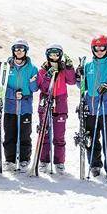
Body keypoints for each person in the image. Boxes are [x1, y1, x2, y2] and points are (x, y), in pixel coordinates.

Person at [80, 35, 107, 181]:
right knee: (91, 138)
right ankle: (94, 163)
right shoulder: (88, 66)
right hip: (91, 108)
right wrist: (79, 77)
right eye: (96, 48)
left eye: (102, 47)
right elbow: (82, 86)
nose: (99, 51)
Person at [36, 44, 76, 173]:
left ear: (60, 55)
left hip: (60, 104)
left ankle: (59, 162)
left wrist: (69, 67)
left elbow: (72, 81)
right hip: (46, 103)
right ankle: (44, 160)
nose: (54, 57)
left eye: (56, 54)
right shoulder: (43, 69)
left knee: (59, 135)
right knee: (44, 133)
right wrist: (48, 76)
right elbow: (42, 87)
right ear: (47, 55)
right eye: (51, 54)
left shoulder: (63, 69)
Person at [3, 39, 39, 171]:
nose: (19, 51)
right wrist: (13, 94)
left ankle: (24, 159)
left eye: (22, 49)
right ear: (13, 51)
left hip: (25, 107)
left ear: (25, 51)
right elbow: (2, 87)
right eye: (16, 49)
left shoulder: (32, 68)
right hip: (10, 107)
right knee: (9, 134)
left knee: (25, 134)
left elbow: (34, 89)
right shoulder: (7, 67)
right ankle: (10, 159)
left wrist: (32, 83)